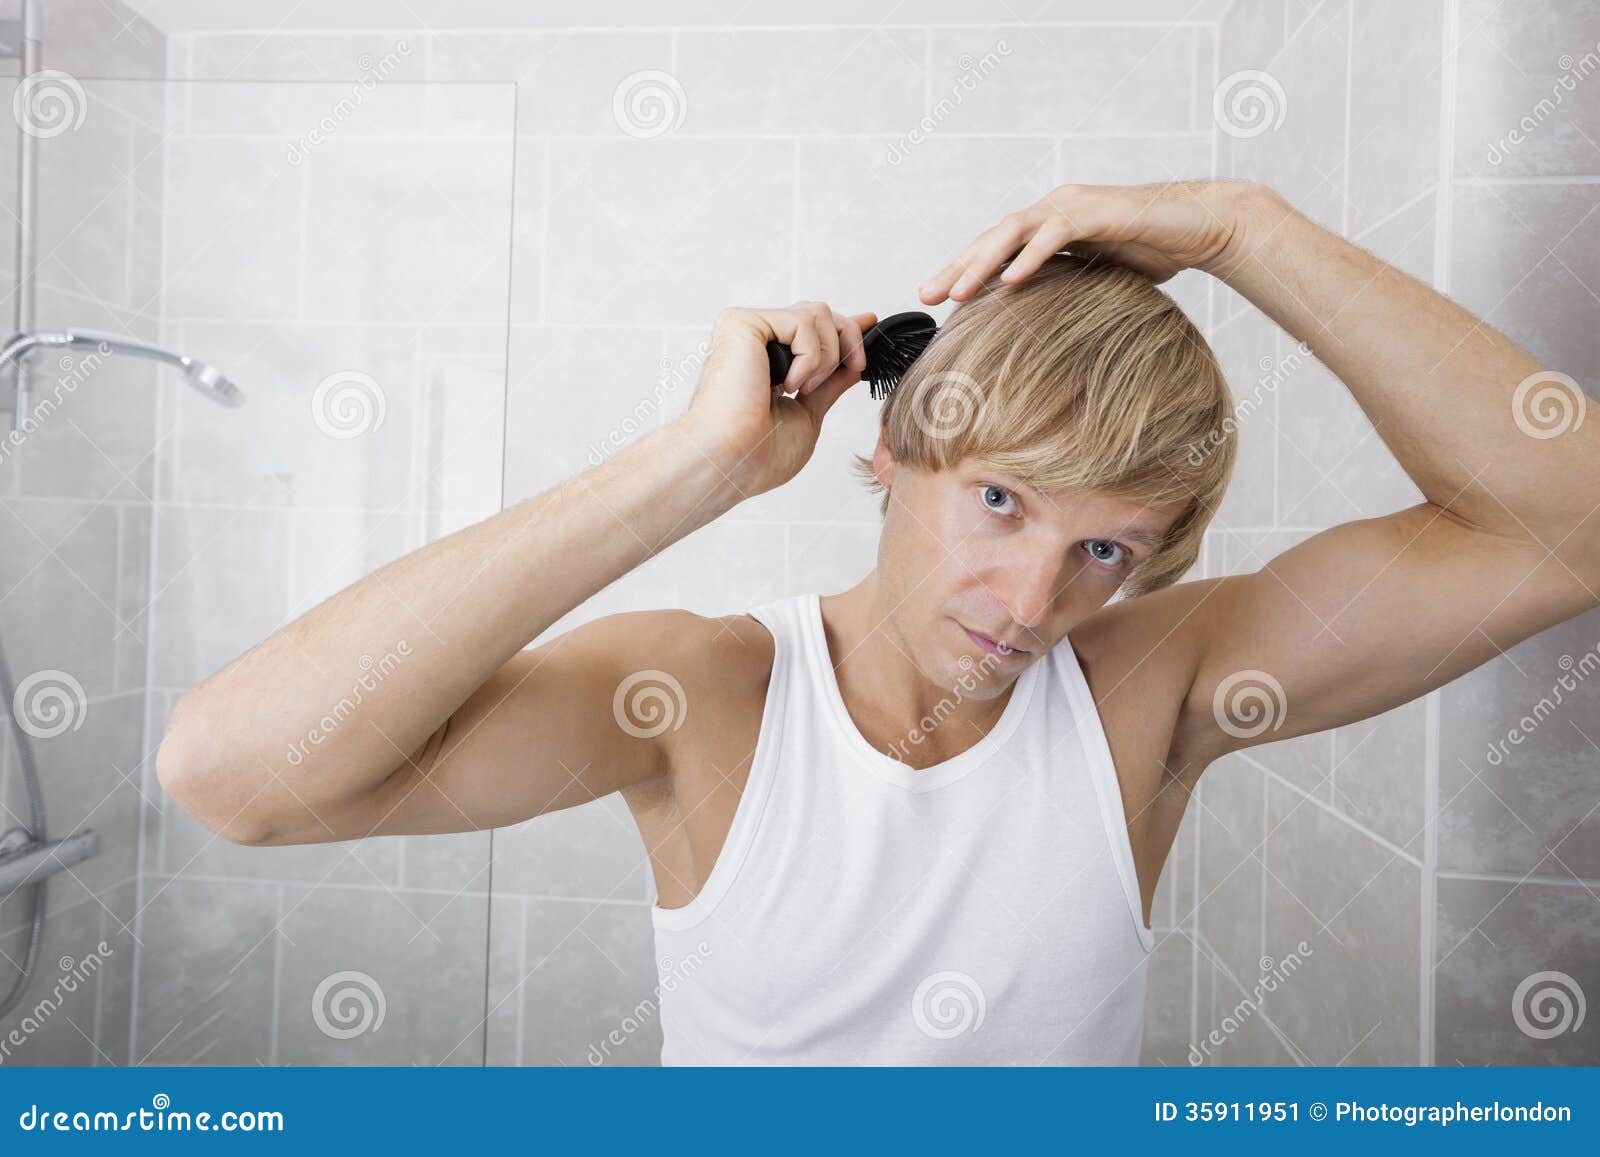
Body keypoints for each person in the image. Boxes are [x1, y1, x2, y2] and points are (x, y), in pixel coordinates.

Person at [155, 179, 1600, 1064]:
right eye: (999, 505)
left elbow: (1566, 527)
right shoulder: (703, 693)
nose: (1034, 602)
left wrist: (1244, 228)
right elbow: (235, 774)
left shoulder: (1155, 688)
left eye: (1104, 544)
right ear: (893, 451)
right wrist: (694, 467)